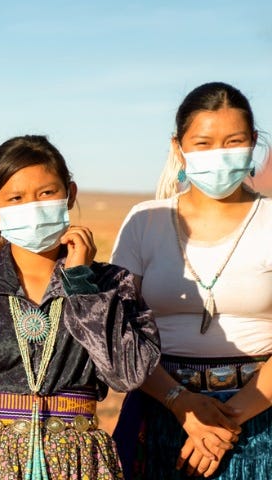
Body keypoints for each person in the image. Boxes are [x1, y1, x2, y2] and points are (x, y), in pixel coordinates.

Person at [0, 135, 161, 479]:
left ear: (70, 194)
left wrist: (82, 286)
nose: (32, 206)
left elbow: (129, 374)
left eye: (47, 193)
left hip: (80, 463)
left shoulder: (111, 284)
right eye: (16, 198)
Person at [111, 82, 272, 479]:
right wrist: (181, 403)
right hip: (159, 409)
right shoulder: (143, 221)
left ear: (253, 143)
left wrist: (224, 421)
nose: (219, 154)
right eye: (203, 142)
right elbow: (118, 329)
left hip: (262, 412)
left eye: (233, 141)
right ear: (177, 147)